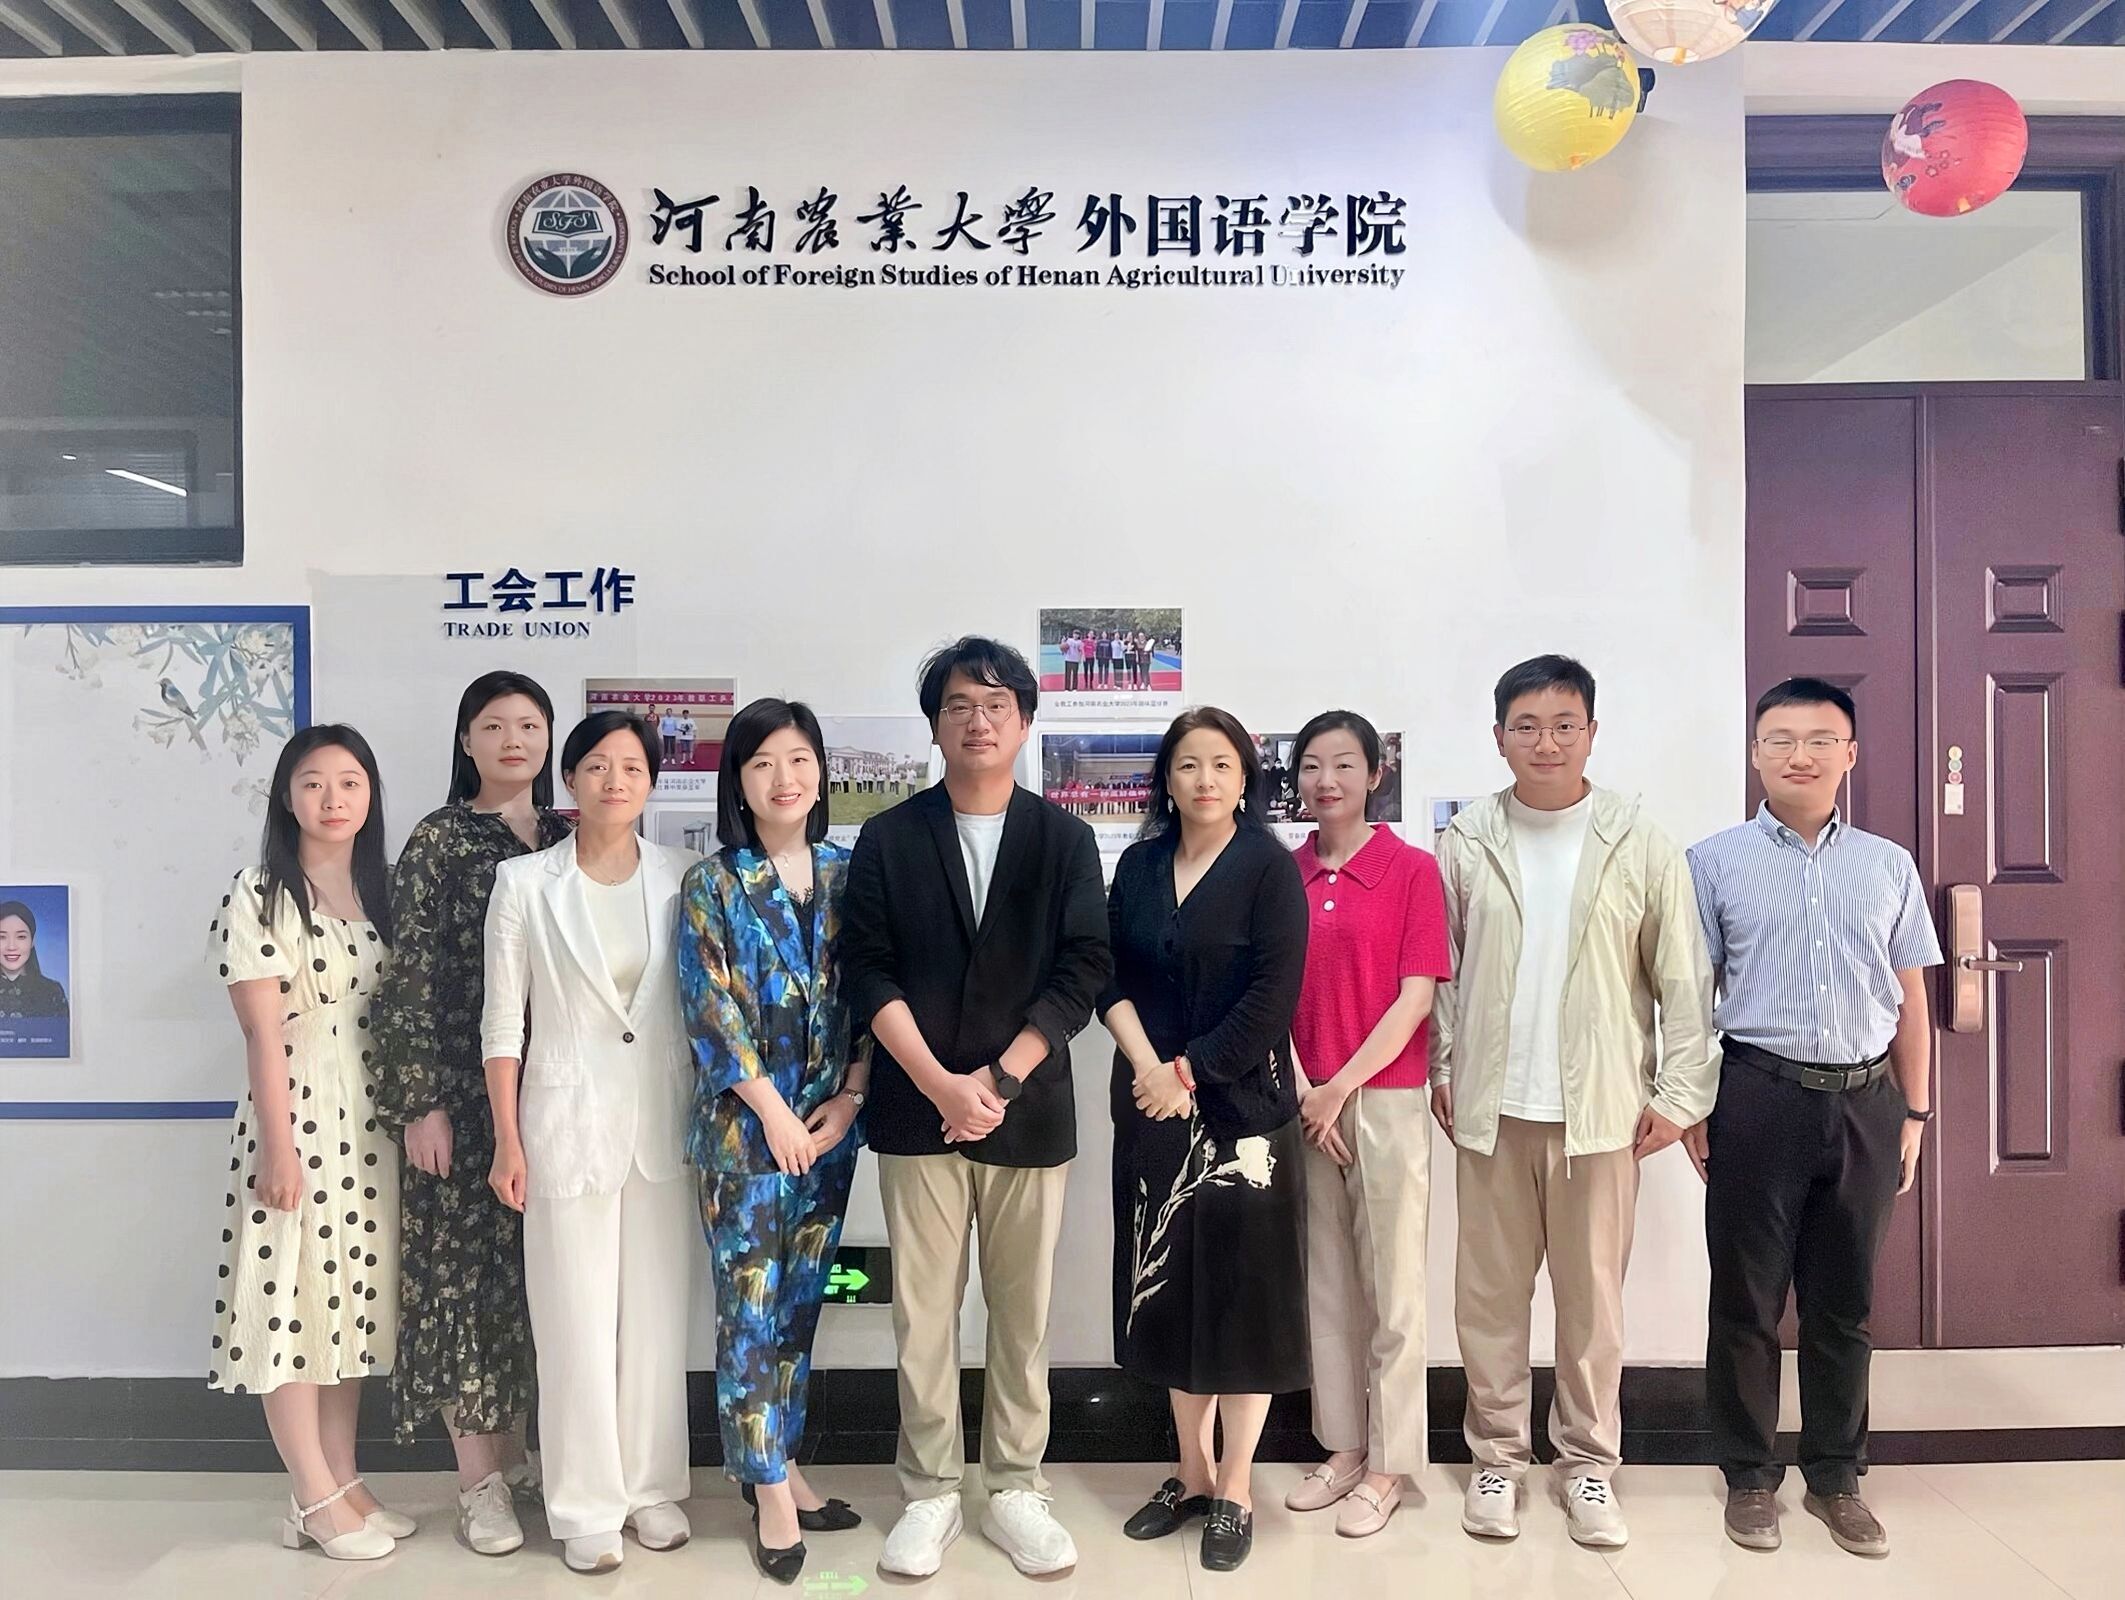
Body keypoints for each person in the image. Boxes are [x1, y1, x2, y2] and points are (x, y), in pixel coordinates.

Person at [838, 636, 1111, 1581]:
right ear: (934, 726)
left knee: (1021, 1315)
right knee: (922, 1316)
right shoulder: (889, 837)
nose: (978, 720)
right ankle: (929, 1492)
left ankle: (1016, 1487)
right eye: (958, 705)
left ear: (1025, 722)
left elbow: (1083, 970)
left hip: (1026, 1114)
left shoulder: (1063, 839)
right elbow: (866, 969)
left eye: (996, 704)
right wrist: (937, 1083)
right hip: (917, 1113)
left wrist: (995, 1082)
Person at [1431, 654, 1718, 1550]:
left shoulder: (1639, 841)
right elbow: (1441, 971)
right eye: (1526, 726)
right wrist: (1443, 1066)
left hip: (1599, 1115)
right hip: (1492, 1113)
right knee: (1487, 1301)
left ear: (1591, 733)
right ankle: (1496, 1459)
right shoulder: (1467, 839)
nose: (1545, 741)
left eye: (1564, 724)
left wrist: (1680, 1095)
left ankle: (1588, 1465)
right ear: (1498, 738)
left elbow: (1682, 976)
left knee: (1592, 1307)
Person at [1686, 679, 1942, 1559]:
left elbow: (1910, 999)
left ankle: (1835, 1476)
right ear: (1755, 753)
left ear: (1849, 754)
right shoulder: (1711, 862)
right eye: (1781, 739)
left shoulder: (1886, 865)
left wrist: (1915, 1110)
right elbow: (1688, 997)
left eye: (1819, 739)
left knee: (1844, 1303)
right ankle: (1748, 1477)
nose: (1800, 754)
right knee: (1746, 1297)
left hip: (1867, 1102)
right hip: (1754, 1094)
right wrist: (1690, 1102)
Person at [482, 712, 700, 1574]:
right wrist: (507, 1140)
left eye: (633, 767)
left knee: (655, 1318)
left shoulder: (682, 876)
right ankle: (583, 1504)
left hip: (661, 1124)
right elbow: (503, 1023)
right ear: (568, 778)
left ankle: (650, 1487)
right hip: (562, 1124)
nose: (615, 780)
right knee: (572, 1319)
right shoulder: (524, 883)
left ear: (651, 783)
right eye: (598, 766)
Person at [1102, 707, 1309, 1573]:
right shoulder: (1139, 865)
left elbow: (1271, 997)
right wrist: (1150, 1069)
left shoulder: (1267, 867)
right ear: (1166, 777)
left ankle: (1235, 1486)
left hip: (1242, 1119)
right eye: (1188, 764)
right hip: (1151, 1111)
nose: (1205, 780)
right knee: (1169, 1297)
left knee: (1239, 1305)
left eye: (1221, 764)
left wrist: (1185, 1072)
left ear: (1244, 777)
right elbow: (1107, 975)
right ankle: (1188, 1473)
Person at [370, 672, 572, 1556]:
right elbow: (407, 975)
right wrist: (420, 1103)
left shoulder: (569, 835)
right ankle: (477, 1481)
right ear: (465, 741)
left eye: (529, 724)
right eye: (493, 726)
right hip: (460, 1094)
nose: (512, 740)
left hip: (552, 1094)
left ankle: (521, 1457)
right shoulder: (439, 839)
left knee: (532, 1284)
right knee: (460, 1285)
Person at [204, 724, 413, 1561]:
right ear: (286, 798)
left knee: (345, 1303)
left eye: (350, 782)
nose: (333, 798)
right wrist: (279, 1149)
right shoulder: (261, 893)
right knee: (290, 1303)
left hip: (369, 1127)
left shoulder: (380, 892)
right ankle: (311, 1495)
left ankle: (343, 1479)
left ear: (370, 796)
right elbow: (261, 1034)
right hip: (298, 1117)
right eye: (314, 782)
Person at [678, 698, 870, 1585]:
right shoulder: (712, 884)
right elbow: (710, 1012)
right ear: (738, 783)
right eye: (761, 764)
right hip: (745, 1137)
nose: (783, 778)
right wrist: (775, 1114)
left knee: (798, 1310)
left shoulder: (849, 873)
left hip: (830, 1130)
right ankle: (767, 1494)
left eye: (797, 760)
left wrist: (849, 1100)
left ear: (821, 773)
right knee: (750, 1314)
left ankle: (783, 1461)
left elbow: (873, 998)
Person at [1284, 711, 1452, 1538]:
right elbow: (1270, 994)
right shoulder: (1281, 873)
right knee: (1325, 1283)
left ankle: (1389, 1463)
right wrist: (1306, 1090)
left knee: (1393, 1287)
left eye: (1344, 764)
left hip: (1381, 1097)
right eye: (1311, 765)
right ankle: (1343, 1447)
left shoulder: (1412, 869)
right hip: (1302, 1100)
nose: (1326, 781)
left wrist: (1340, 1087)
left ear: (1375, 774)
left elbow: (1416, 997)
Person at [0, 899, 69, 1019]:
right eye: (2, 937)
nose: (11, 946)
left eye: (21, 937)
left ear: (32, 941)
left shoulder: (52, 991)